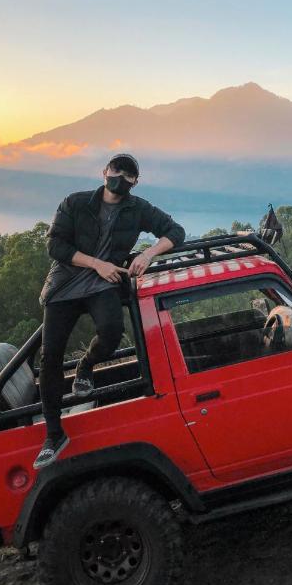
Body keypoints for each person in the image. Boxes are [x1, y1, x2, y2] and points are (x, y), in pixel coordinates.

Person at [33, 152, 185, 469]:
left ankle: (86, 367)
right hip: (66, 283)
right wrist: (95, 263)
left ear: (135, 182)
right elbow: (55, 246)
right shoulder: (75, 203)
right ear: (105, 171)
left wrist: (149, 254)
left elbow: (174, 231)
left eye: (128, 175)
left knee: (113, 332)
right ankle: (53, 433)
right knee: (51, 356)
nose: (121, 177)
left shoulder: (137, 208)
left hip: (105, 284)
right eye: (117, 170)